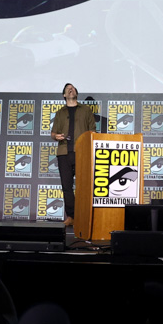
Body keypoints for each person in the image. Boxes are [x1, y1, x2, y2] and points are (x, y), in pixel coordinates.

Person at [49, 83, 96, 227]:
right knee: (67, 186)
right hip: (64, 153)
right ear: (64, 95)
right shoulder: (60, 113)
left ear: (76, 93)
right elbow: (53, 133)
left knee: (83, 186)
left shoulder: (86, 110)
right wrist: (56, 136)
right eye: (68, 89)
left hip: (82, 153)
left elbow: (92, 132)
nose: (71, 89)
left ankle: (84, 216)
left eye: (73, 88)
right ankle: (72, 216)